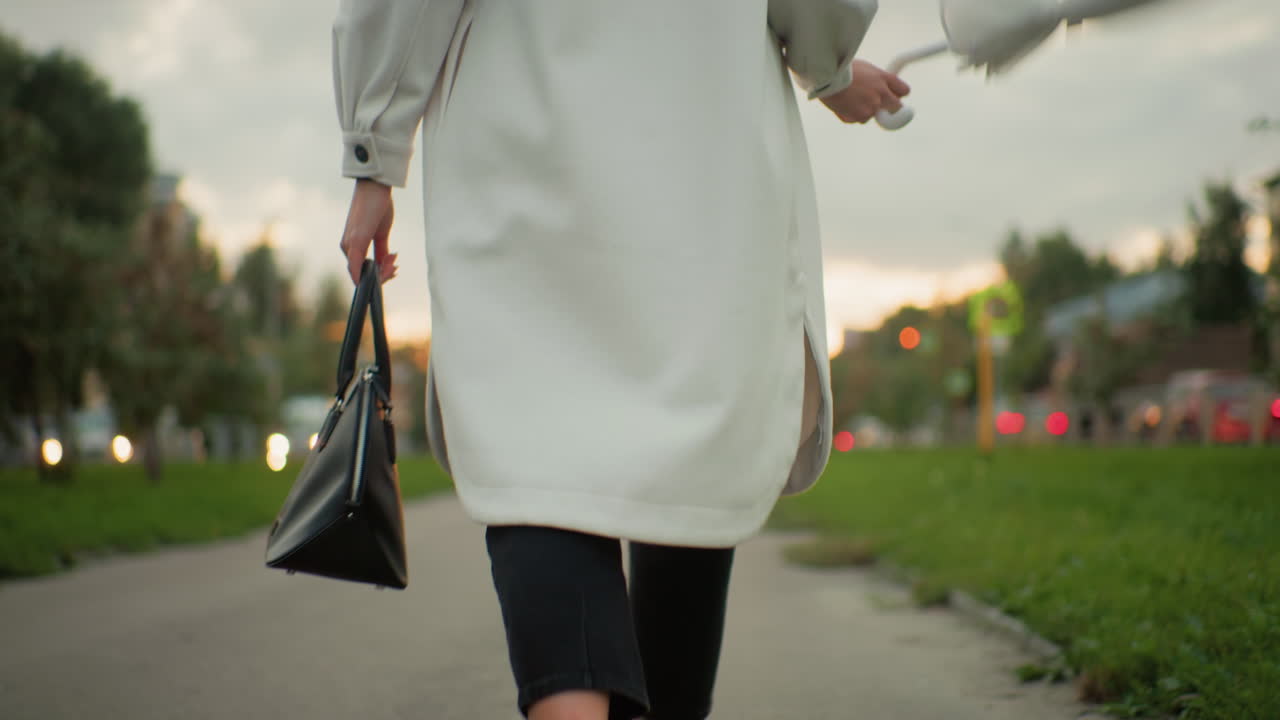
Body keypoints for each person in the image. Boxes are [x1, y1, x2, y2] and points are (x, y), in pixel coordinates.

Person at [332, 2, 908, 718]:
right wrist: (830, 65)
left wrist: (373, 154)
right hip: (703, 147)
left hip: (520, 147)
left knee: (539, 464)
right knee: (690, 441)